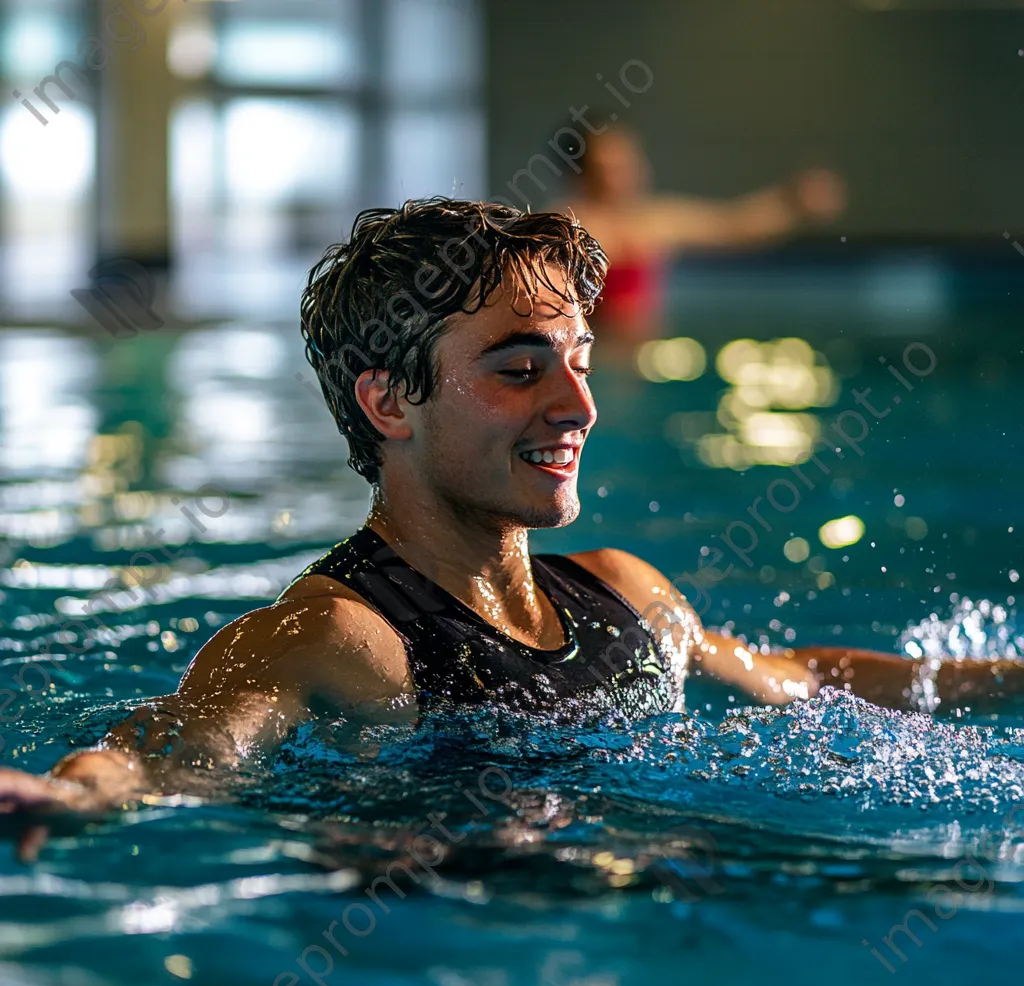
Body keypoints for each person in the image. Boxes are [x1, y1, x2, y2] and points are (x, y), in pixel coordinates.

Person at [0, 198, 1016, 860]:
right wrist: (71, 793)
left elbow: (793, 678)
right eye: (520, 369)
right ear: (390, 402)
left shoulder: (624, 592)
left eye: (577, 360)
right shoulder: (342, 640)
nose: (579, 405)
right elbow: (176, 748)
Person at [551, 123, 847, 343]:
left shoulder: (651, 222)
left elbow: (733, 226)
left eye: (630, 163)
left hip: (640, 355)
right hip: (590, 357)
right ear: (582, 173)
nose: (627, 176)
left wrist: (791, 203)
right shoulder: (565, 229)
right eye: (612, 167)